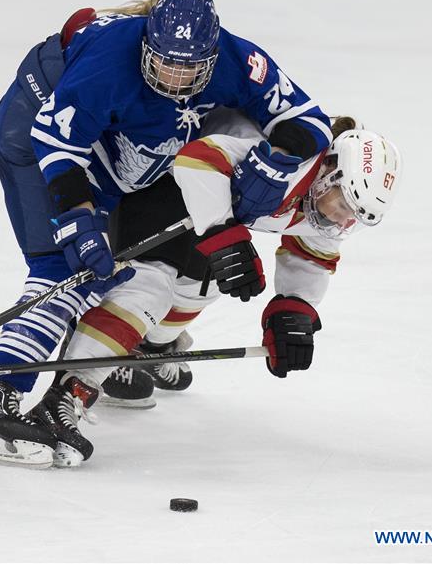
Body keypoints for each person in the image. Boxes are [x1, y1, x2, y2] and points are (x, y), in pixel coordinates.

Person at [0, 0, 332, 468]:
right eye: (166, 63)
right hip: (37, 136)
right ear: (148, 44)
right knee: (63, 265)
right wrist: (76, 218)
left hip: (116, 150)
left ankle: (109, 359)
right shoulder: (109, 62)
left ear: (213, 57)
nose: (176, 77)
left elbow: (310, 120)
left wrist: (278, 156)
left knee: (111, 272)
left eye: (191, 68)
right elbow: (55, 139)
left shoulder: (239, 58)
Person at [23, 111, 403, 467]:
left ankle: (144, 348)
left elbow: (312, 251)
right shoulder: (293, 153)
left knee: (205, 285)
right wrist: (224, 236)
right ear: (329, 172)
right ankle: (67, 394)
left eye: (353, 215)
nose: (341, 219)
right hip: (161, 183)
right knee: (147, 290)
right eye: (343, 203)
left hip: (217, 211)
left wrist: (293, 310)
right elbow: (197, 161)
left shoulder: (327, 206)